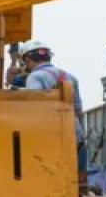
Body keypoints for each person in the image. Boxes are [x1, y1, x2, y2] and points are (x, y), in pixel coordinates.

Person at [20, 40, 85, 172]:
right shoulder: (70, 77)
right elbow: (78, 110)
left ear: (27, 59)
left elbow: (35, 107)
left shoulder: (35, 77)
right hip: (74, 130)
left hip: (50, 132)